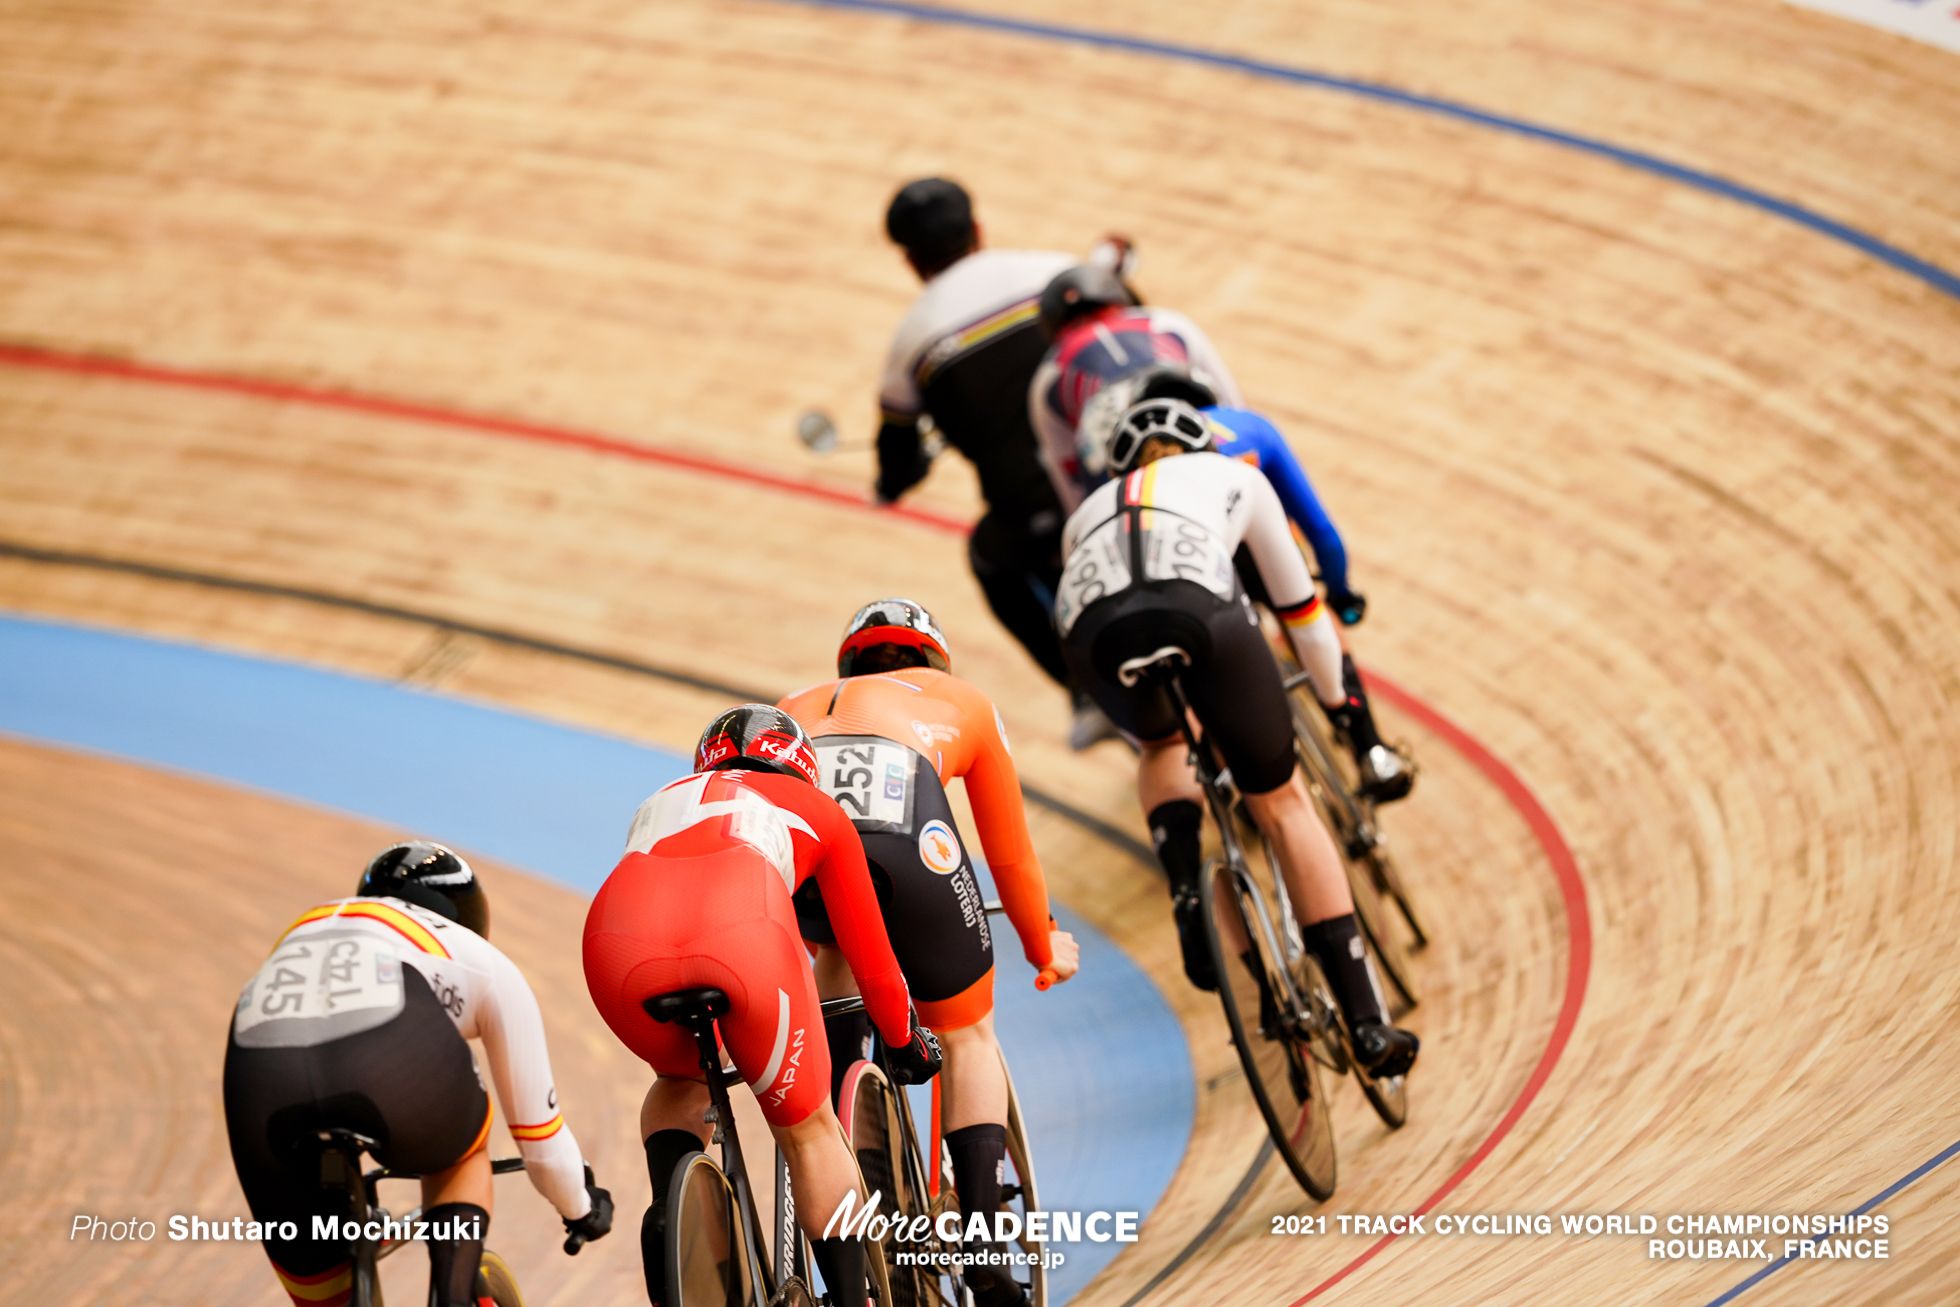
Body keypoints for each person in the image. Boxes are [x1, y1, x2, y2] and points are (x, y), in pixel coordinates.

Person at [1053, 399, 1419, 1077]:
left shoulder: (1085, 512)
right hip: (1199, 610)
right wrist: (1344, 713)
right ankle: (1369, 1025)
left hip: (1092, 636)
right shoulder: (1238, 479)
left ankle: (1188, 885)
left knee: (1167, 746)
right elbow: (1303, 618)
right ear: (1207, 450)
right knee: (1279, 802)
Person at [583, 706, 943, 1307]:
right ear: (802, 766)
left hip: (616, 949)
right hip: (742, 938)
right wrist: (904, 1039)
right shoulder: (821, 809)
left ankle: (674, 1213)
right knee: (810, 1132)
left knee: (679, 1079)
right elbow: (873, 961)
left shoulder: (661, 798)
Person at [778, 599, 1082, 1307]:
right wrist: (1043, 944)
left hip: (806, 861)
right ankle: (983, 1254)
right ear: (934, 659)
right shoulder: (962, 700)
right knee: (968, 1032)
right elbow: (1008, 852)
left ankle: (861, 1156)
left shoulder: (791, 707)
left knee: (835, 945)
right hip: (912, 843)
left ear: (848, 665)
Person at [224, 842, 613, 1307]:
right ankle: (453, 1295)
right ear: (468, 920)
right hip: (389, 1059)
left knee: (321, 1287)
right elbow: (539, 1138)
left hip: (259, 1078)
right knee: (460, 1156)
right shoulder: (479, 958)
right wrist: (582, 1208)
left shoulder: (314, 923)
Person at [1054, 360, 1413, 802]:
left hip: (1172, 574)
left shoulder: (1134, 461)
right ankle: (1369, 747)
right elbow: (1321, 531)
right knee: (1308, 613)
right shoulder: (1250, 427)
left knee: (1198, 668)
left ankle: (1230, 783)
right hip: (1253, 551)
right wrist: (1339, 591)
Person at [874, 177, 1134, 747]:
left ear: (912, 261)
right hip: (1121, 471)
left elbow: (894, 452)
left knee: (988, 558)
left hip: (1034, 514)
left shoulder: (908, 346)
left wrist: (894, 480)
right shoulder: (1051, 271)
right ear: (977, 230)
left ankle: (1083, 688)